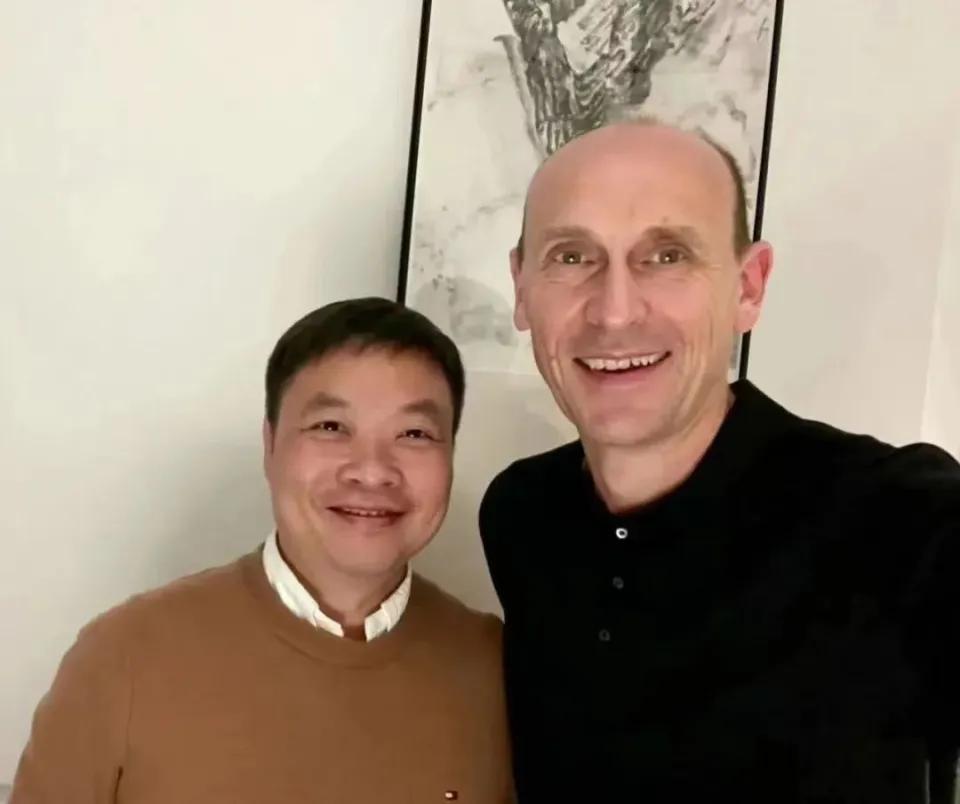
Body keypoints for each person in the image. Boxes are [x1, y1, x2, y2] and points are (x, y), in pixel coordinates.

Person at [479, 121, 960, 803]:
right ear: (523, 288)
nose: (615, 313)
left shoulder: (899, 518)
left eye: (667, 255)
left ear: (749, 287)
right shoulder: (520, 513)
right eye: (572, 256)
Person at [12, 298, 514, 803]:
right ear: (270, 445)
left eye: (415, 434)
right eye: (331, 427)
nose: (371, 470)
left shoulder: (502, 669)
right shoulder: (123, 656)